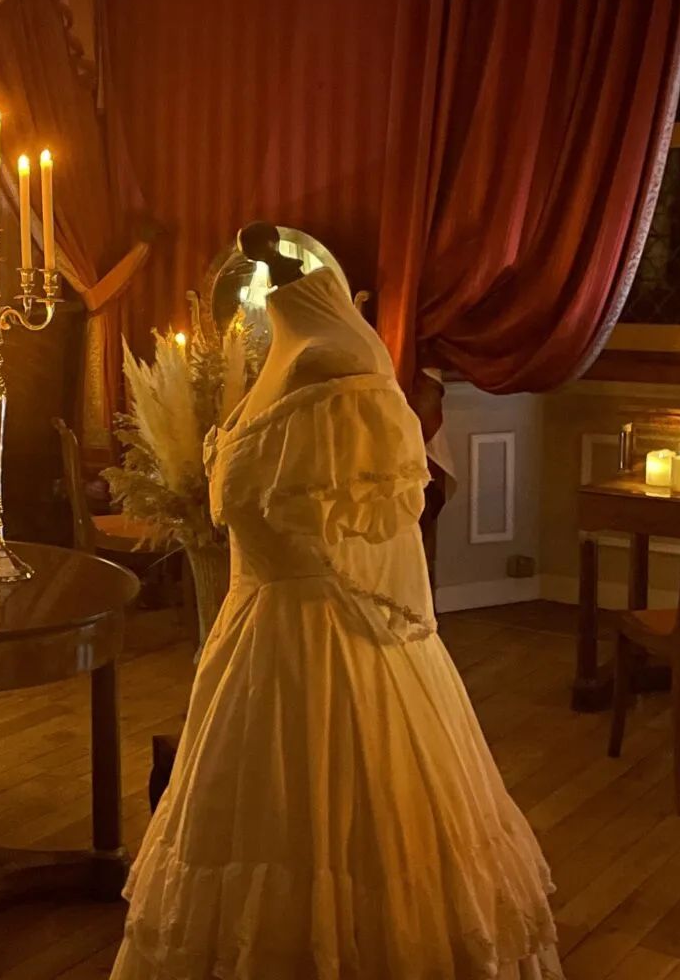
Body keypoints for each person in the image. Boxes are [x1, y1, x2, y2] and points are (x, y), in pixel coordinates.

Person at [112, 226, 559, 979]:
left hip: (326, 637)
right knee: (252, 818)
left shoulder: (334, 365)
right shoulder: (276, 364)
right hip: (253, 638)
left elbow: (361, 527)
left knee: (355, 819)